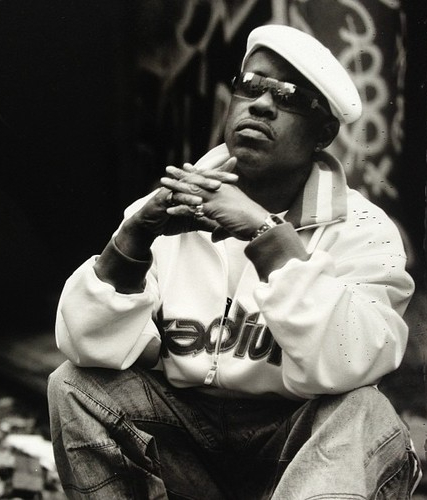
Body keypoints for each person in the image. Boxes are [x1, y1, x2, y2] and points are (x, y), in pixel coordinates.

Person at [48, 25, 421, 499]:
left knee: (363, 412)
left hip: (297, 451)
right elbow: (85, 345)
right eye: (251, 86)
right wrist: (133, 241)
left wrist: (267, 236)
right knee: (73, 384)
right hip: (186, 445)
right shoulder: (170, 207)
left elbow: (353, 362)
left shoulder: (363, 228)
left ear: (323, 134)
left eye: (288, 96)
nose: (261, 104)